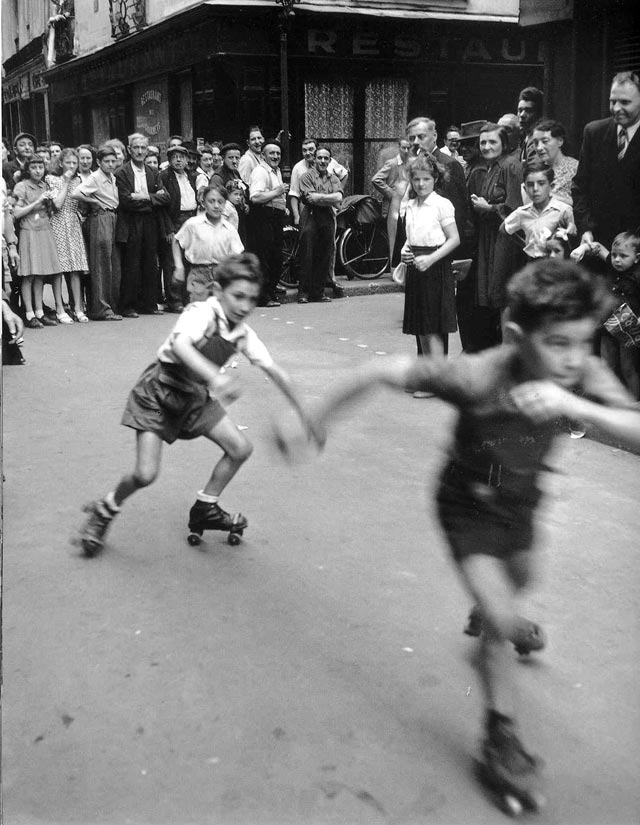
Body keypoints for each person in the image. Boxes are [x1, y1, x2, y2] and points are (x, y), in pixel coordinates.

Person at [294, 258, 640, 811]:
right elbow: (378, 372)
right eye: (558, 344)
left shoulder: (580, 376)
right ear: (515, 336)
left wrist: (574, 403)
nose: (575, 359)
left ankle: (497, 615)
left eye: (583, 342)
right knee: (504, 621)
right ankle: (500, 737)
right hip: (469, 508)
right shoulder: (478, 376)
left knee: (522, 583)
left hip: (524, 505)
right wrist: (316, 417)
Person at [74, 251, 319, 557]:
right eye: (238, 296)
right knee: (145, 475)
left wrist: (308, 414)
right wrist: (215, 378)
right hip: (158, 392)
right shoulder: (201, 313)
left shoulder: (242, 335)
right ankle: (105, 509)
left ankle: (206, 506)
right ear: (218, 291)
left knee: (240, 449)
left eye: (252, 299)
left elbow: (276, 372)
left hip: (193, 397)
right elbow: (180, 345)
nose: (245, 306)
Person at [400, 154, 460, 392]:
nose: (421, 184)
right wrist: (406, 251)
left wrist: (431, 259)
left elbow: (454, 239)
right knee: (419, 324)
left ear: (435, 178)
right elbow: (411, 237)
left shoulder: (441, 204)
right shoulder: (411, 205)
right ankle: (425, 374)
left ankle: (436, 379)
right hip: (416, 264)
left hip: (435, 264)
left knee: (432, 324)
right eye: (416, 179)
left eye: (426, 179)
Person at [572, 71, 640, 252]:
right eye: (613, 101)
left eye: (625, 102)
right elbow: (580, 186)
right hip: (596, 242)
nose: (617, 108)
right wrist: (585, 228)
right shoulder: (594, 132)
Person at [470, 123, 523, 349]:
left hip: (506, 237)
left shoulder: (510, 166)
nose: (487, 146)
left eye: (492, 142)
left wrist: (489, 208)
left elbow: (515, 207)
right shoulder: (491, 167)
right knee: (495, 295)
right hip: (490, 236)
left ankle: (509, 352)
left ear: (504, 143)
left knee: (504, 295)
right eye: (483, 142)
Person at [115, 133, 170, 318]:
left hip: (150, 222)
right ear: (129, 150)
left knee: (150, 262)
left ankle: (149, 303)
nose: (139, 151)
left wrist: (144, 196)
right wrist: (152, 199)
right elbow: (125, 201)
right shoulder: (121, 172)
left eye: (143, 148)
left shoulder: (154, 172)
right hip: (131, 222)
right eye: (136, 148)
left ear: (147, 150)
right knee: (132, 263)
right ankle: (128, 305)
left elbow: (165, 197)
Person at [13, 154, 68, 327]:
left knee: (40, 274)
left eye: (40, 167)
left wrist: (49, 202)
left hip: (45, 230)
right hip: (29, 232)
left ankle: (39, 312)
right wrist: (37, 201)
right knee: (28, 274)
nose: (38, 170)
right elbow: (16, 213)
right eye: (34, 167)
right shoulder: (21, 186)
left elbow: (51, 211)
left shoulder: (45, 185)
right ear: (27, 169)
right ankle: (29, 314)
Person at [71, 144, 123, 321]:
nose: (110, 164)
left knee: (112, 264)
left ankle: (109, 306)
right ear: (99, 162)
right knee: (100, 264)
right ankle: (101, 309)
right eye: (106, 161)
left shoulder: (112, 177)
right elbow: (76, 193)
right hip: (100, 218)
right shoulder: (95, 177)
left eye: (113, 161)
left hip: (113, 217)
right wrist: (95, 201)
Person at [171, 183, 244, 298]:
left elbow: (238, 254)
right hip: (198, 273)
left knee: (219, 312)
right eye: (211, 201)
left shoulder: (229, 229)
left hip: (221, 273)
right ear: (203, 203)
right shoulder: (193, 224)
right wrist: (179, 266)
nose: (216, 206)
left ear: (225, 204)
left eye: (220, 202)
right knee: (200, 311)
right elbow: (176, 241)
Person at [46, 147, 90, 322]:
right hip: (57, 223)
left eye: (74, 163)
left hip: (73, 224)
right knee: (59, 269)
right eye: (68, 162)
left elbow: (82, 204)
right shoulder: (52, 179)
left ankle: (78, 308)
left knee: (75, 269)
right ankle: (59, 308)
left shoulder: (78, 179)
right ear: (61, 163)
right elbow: (57, 204)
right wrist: (64, 182)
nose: (71, 166)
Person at [501, 161, 576, 262]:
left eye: (541, 184)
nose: (535, 189)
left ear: (551, 186)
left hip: (556, 262)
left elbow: (573, 236)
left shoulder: (563, 210)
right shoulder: (522, 213)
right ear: (525, 188)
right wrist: (525, 245)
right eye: (530, 185)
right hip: (533, 262)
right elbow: (503, 229)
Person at [297, 146, 343, 304]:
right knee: (307, 253)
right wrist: (329, 197)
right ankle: (303, 292)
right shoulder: (306, 177)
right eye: (320, 158)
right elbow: (310, 199)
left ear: (330, 160)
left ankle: (318, 292)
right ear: (314, 159)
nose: (323, 161)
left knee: (325, 254)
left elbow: (339, 198)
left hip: (327, 216)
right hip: (310, 214)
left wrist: (320, 197)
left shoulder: (334, 178)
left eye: (326, 158)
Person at [158, 144, 199, 311]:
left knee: (190, 260)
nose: (178, 160)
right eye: (174, 157)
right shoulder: (164, 177)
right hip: (175, 220)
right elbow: (162, 206)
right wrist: (168, 229)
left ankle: (187, 297)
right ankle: (174, 300)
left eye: (181, 157)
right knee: (173, 262)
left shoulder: (191, 176)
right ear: (169, 160)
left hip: (191, 218)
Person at [248, 141, 289, 307]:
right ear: (263, 156)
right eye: (271, 153)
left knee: (275, 257)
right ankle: (263, 296)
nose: (275, 156)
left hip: (275, 217)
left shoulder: (275, 171)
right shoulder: (260, 171)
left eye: (278, 153)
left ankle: (270, 292)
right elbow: (255, 197)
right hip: (264, 217)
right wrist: (278, 192)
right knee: (265, 257)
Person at [370, 137, 411, 267]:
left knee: (406, 239)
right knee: (395, 240)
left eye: (408, 148)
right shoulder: (392, 163)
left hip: (408, 207)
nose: (406, 150)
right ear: (399, 148)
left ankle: (404, 271)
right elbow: (376, 179)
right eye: (403, 147)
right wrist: (392, 194)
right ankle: (394, 271)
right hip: (393, 209)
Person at [529, 120, 578, 206]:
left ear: (560, 141)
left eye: (545, 141)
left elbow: (579, 204)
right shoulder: (536, 169)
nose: (539, 147)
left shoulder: (575, 168)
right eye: (536, 143)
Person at [517, 86, 544, 164]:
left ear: (538, 114)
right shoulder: (527, 137)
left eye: (528, 110)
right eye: (520, 110)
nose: (522, 115)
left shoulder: (538, 139)